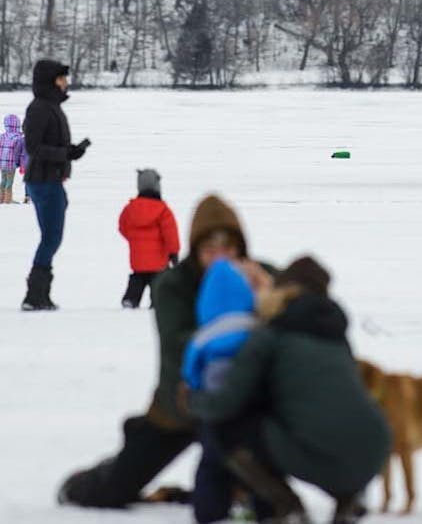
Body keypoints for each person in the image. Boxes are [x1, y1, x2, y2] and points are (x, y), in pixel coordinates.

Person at [57, 194, 273, 508]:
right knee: (110, 492)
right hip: (180, 405)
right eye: (210, 250)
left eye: (228, 248)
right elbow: (178, 345)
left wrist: (266, 292)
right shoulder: (174, 284)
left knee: (261, 497)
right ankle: (96, 477)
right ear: (196, 250)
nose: (220, 258)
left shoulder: (261, 276)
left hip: (242, 406)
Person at [188, 256, 391, 524]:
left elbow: (227, 402)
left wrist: (192, 399)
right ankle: (349, 498)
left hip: (325, 450)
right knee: (333, 427)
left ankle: (288, 507)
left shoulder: (271, 334)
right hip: (376, 447)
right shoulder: (335, 333)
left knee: (227, 429)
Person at [182, 259, 263, 524]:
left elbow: (191, 373)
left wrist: (195, 393)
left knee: (212, 462)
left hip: (214, 411)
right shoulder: (255, 328)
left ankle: (208, 510)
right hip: (251, 406)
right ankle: (262, 507)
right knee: (257, 459)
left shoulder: (204, 336)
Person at [21, 59, 89, 311]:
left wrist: (71, 151)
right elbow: (33, 147)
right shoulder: (40, 108)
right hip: (43, 181)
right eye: (61, 79)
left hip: (49, 180)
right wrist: (65, 154)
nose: (65, 83)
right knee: (51, 238)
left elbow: (51, 144)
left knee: (51, 237)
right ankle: (34, 295)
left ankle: (39, 295)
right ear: (51, 81)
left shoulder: (50, 106)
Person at [118, 167, 180, 309]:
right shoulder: (163, 210)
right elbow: (171, 234)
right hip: (159, 261)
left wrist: (134, 239)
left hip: (138, 258)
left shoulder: (129, 209)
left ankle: (130, 299)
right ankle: (157, 301)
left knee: (137, 279)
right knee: (158, 282)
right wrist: (173, 252)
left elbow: (122, 227)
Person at [0, 113, 25, 204]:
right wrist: (19, 163)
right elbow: (18, 152)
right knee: (9, 181)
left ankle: (1, 198)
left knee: (3, 180)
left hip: (2, 163)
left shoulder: (2, 136)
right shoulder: (18, 138)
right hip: (11, 163)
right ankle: (8, 199)